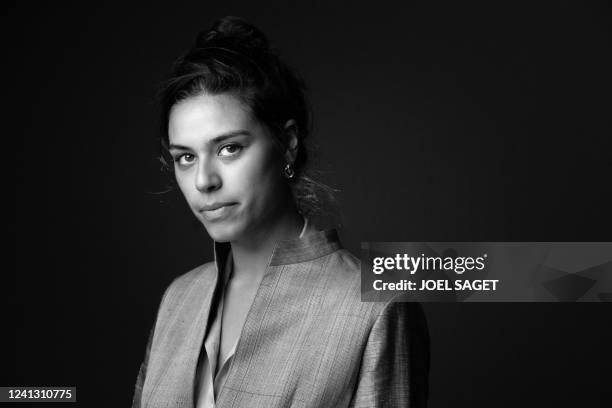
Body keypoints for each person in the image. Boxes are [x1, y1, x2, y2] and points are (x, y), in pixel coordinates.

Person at [132, 16, 429, 408]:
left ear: (287, 144)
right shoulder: (179, 298)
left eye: (229, 148)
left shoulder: (374, 306)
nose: (204, 180)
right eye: (185, 157)